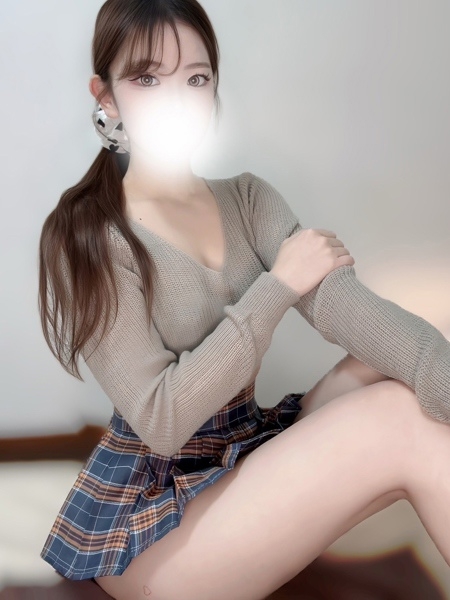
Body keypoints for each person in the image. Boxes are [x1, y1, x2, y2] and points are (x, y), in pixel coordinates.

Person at [37, 1, 450, 598]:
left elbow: (361, 319)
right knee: (399, 421)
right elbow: (162, 422)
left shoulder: (249, 200)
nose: (178, 101)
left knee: (392, 368)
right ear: (106, 96)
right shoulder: (90, 236)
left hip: (238, 454)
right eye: (148, 79)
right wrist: (277, 286)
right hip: (154, 526)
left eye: (195, 78)